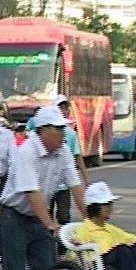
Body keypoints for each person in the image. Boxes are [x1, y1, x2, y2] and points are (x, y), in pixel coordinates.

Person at [0, 105, 86, 270]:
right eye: (58, 130)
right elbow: (32, 192)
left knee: (45, 269)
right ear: (44, 131)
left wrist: (91, 219)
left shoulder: (64, 152)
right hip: (14, 217)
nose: (62, 134)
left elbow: (75, 184)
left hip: (37, 219)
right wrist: (51, 224)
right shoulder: (27, 152)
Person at [50, 95, 88, 227]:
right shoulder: (44, 134)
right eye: (61, 107)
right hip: (48, 185)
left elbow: (77, 156)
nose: (64, 111)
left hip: (64, 186)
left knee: (64, 217)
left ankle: (62, 245)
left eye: (66, 108)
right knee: (46, 219)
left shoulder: (71, 134)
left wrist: (86, 179)